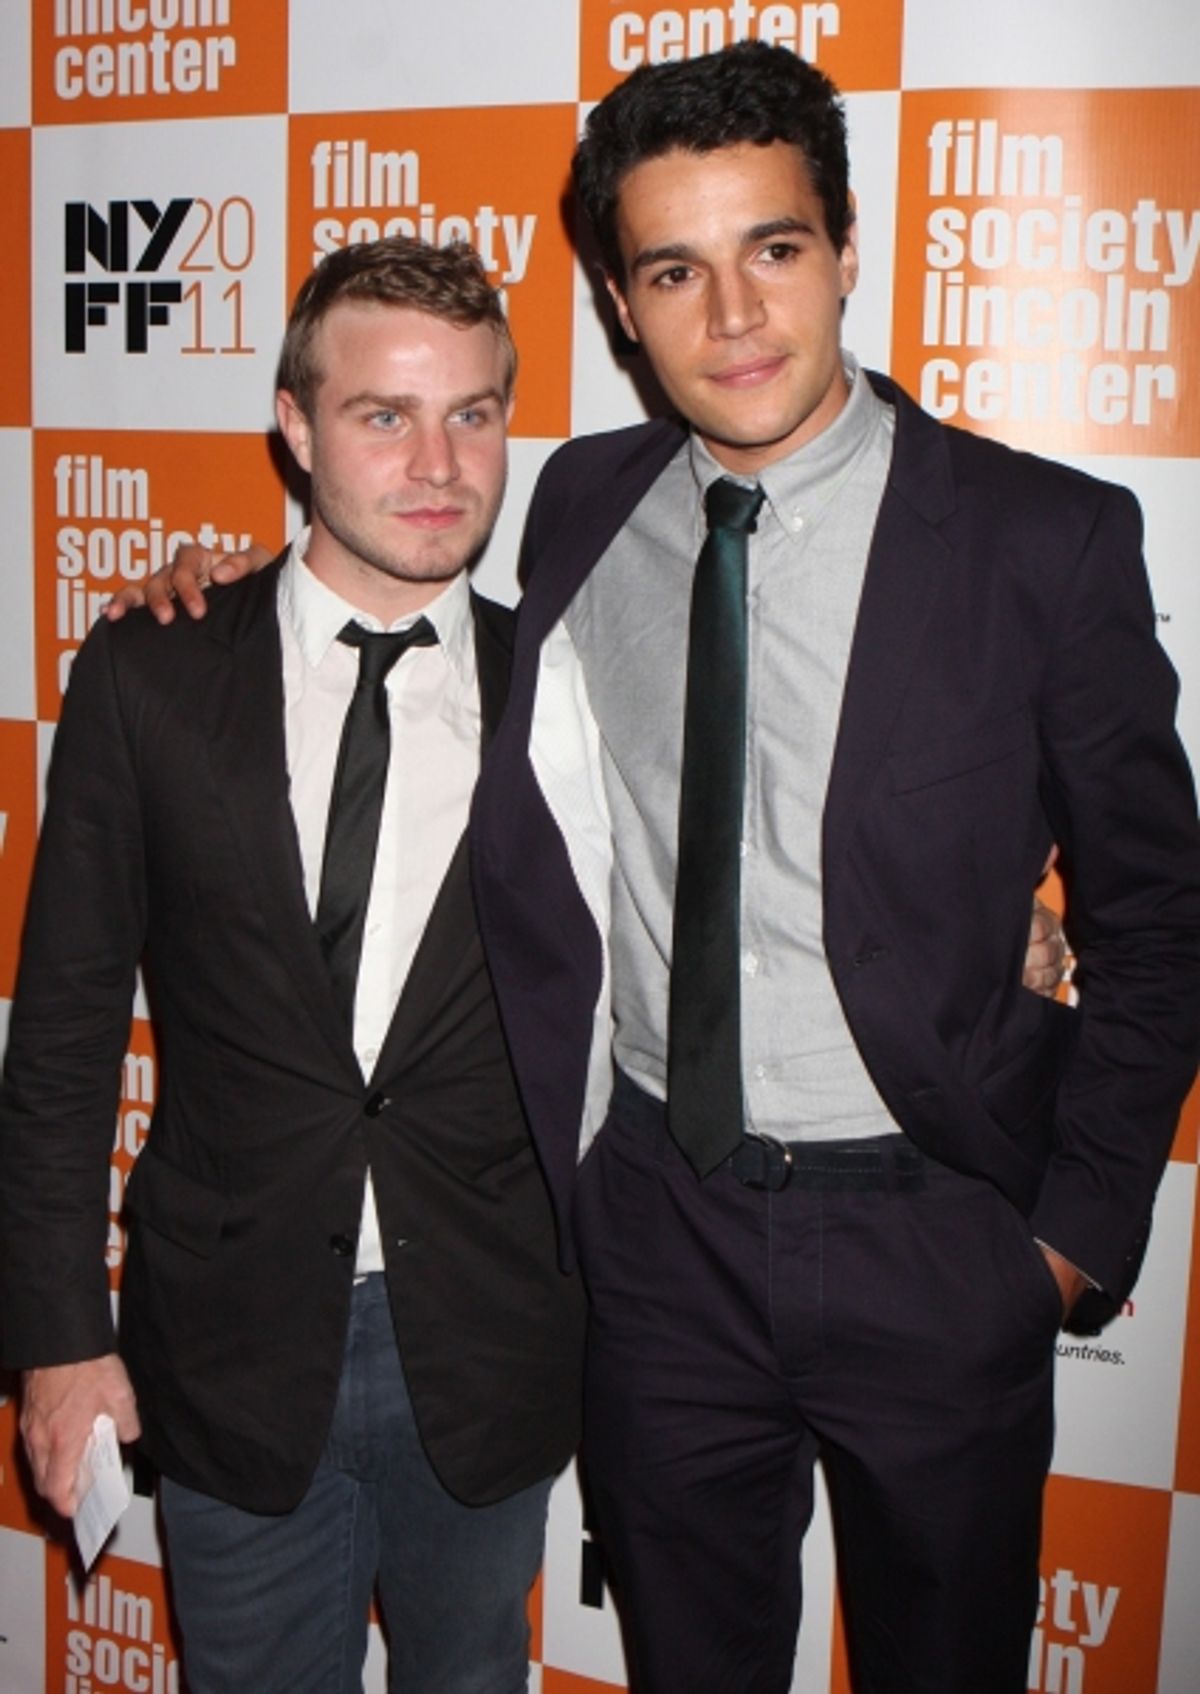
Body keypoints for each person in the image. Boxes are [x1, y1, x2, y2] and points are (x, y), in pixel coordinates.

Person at [103, 48, 1137, 1694]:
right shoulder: (582, 509)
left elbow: (1163, 914)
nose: (731, 313)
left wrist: (1065, 1241)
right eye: (674, 268)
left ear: (849, 246)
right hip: (656, 1243)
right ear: (620, 301)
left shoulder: (1043, 542)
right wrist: (215, 594)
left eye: (773, 248)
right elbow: (371, 589)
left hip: (935, 1235)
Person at [0, 236, 585, 1694]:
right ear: (294, 423)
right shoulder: (151, 673)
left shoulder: (567, 689)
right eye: (384, 414)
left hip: (492, 1345)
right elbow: (64, 1040)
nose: (438, 462)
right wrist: (58, 1339)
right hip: (227, 1348)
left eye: (474, 412)